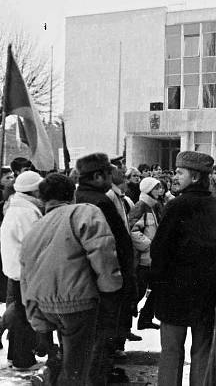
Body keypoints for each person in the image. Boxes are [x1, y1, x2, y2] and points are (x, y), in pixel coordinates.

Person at [21, 173, 123, 386]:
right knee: (80, 367)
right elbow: (102, 250)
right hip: (80, 301)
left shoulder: (35, 228)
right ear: (72, 193)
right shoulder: (83, 212)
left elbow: (26, 274)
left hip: (46, 304)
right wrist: (111, 289)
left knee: (70, 359)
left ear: (43, 198)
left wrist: (34, 314)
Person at [151, 151, 216, 385]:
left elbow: (159, 250)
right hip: (206, 293)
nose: (174, 177)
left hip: (174, 293)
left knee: (171, 352)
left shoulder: (177, 206)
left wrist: (155, 284)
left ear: (196, 177)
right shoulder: (214, 206)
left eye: (179, 172)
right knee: (202, 352)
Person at [74, 153, 136, 383]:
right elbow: (107, 245)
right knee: (103, 332)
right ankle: (98, 375)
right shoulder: (97, 202)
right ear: (98, 175)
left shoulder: (87, 196)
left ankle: (101, 371)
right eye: (109, 172)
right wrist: (120, 278)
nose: (113, 175)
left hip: (95, 277)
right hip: (104, 278)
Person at [0, 171, 44, 371]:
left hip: (17, 268)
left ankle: (16, 356)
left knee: (20, 312)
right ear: (34, 190)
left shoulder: (18, 207)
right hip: (25, 269)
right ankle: (22, 359)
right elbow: (34, 242)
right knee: (23, 316)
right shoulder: (26, 211)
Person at [127, 176, 163, 331]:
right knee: (139, 292)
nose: (160, 190)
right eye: (157, 188)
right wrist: (149, 245)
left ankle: (145, 319)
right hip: (144, 258)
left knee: (155, 289)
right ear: (149, 189)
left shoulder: (154, 206)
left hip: (151, 258)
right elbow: (133, 230)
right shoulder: (141, 206)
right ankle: (126, 327)